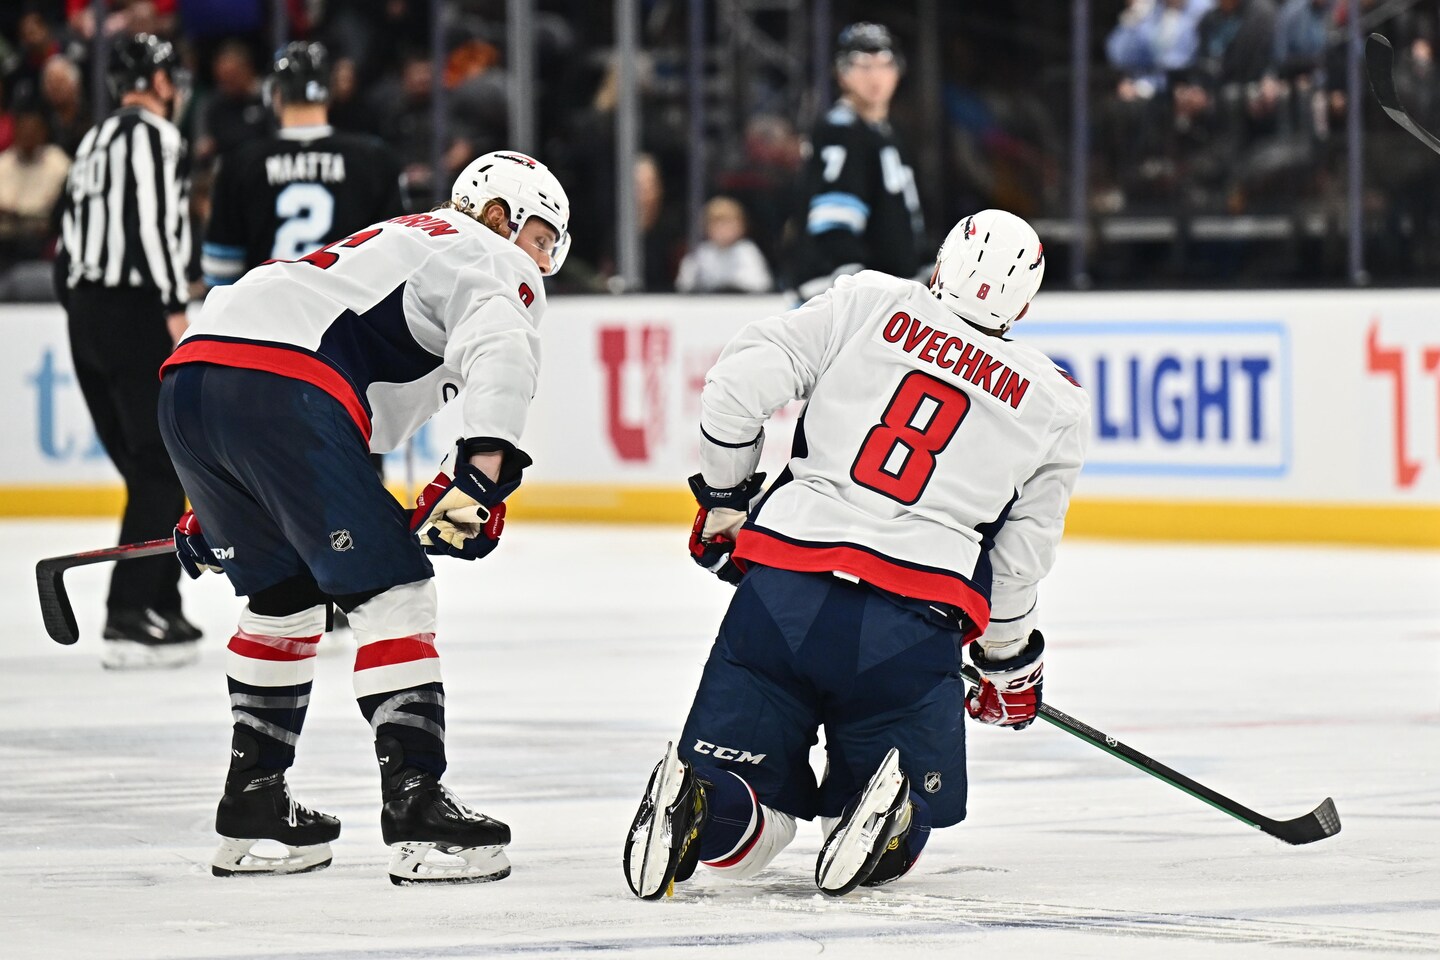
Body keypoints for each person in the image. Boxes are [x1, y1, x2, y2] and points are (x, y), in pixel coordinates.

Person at [624, 210, 1089, 899]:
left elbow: (733, 387)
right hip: (911, 620)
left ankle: (702, 804)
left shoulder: (866, 300)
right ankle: (885, 816)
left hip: (783, 587)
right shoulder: (1055, 403)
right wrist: (1006, 667)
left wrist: (725, 501)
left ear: (941, 264)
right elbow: (1018, 563)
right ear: (1024, 303)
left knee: (751, 814)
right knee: (893, 807)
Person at [156, 150, 571, 885]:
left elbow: (248, 341)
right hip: (286, 389)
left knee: (281, 599)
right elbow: (502, 348)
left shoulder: (398, 242)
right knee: (396, 591)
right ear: (499, 212)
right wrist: (482, 475)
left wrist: (221, 500)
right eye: (541, 236)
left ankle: (254, 802)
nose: (543, 261)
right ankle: (417, 808)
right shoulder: (482, 247)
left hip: (192, 382)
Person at [55, 33, 198, 668]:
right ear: (158, 80)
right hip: (136, 310)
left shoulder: (89, 140)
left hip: (87, 313)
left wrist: (82, 313)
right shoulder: (155, 137)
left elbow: (67, 239)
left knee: (146, 463)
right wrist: (174, 311)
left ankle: (160, 600)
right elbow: (151, 227)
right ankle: (132, 609)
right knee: (162, 463)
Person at [201, 41, 403, 286]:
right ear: (328, 94)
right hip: (345, 315)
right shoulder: (375, 158)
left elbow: (220, 270)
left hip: (266, 313)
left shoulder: (240, 162)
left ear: (276, 96)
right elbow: (396, 259)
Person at [790, 22, 924, 300]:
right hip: (844, 298)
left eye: (884, 64)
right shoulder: (841, 131)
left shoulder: (887, 133)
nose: (875, 76)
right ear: (842, 73)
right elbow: (832, 223)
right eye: (862, 65)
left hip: (886, 296)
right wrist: (852, 281)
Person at [675, 196, 773, 294]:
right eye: (717, 224)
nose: (723, 229)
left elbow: (762, 284)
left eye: (728, 223)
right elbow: (684, 284)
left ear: (741, 226)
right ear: (706, 227)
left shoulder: (748, 251)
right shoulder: (701, 252)